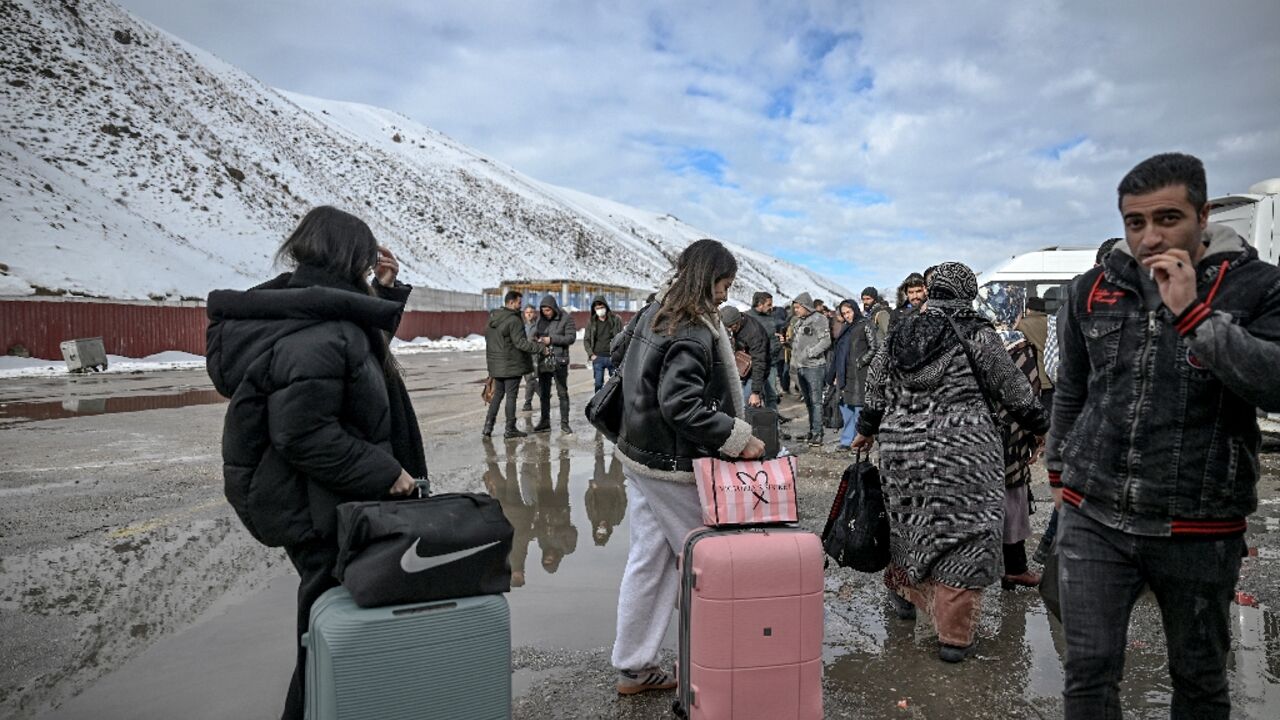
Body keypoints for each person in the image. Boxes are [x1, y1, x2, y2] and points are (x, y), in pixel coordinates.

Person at [1046, 152, 1280, 719]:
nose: (1151, 236)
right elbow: (1072, 389)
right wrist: (1058, 469)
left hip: (1199, 524)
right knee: (1088, 675)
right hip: (1094, 516)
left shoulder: (1255, 287)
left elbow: (1272, 386)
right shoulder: (1090, 290)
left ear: (1202, 215)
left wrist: (1195, 316)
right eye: (1136, 222)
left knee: (1198, 680)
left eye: (1168, 218)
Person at [206, 206, 428, 720]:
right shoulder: (321, 328)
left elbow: (351, 369)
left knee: (330, 630)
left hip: (316, 499)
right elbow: (303, 432)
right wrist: (386, 473)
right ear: (349, 257)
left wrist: (386, 293)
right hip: (323, 506)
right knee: (327, 640)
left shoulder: (306, 310)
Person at [852, 262, 1048, 663]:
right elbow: (1010, 386)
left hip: (902, 451)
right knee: (966, 534)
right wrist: (1038, 424)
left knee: (910, 524)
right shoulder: (977, 332)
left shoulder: (900, 332)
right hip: (965, 453)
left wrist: (868, 427)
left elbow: (874, 387)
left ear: (933, 290)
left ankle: (906, 600)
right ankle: (954, 639)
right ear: (968, 293)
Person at [611, 239, 765, 696]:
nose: (725, 294)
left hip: (640, 455)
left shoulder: (655, 311)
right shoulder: (693, 327)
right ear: (706, 278)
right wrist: (738, 438)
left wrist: (721, 371)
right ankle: (714, 657)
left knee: (649, 561)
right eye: (724, 284)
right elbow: (680, 404)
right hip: (672, 465)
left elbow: (623, 355)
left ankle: (635, 666)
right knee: (706, 562)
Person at [484, 290, 548, 438]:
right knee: (511, 397)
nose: (521, 306)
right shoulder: (513, 320)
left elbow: (490, 340)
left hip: (496, 365)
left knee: (497, 396)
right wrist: (540, 348)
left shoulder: (493, 318)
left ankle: (488, 426)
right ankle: (510, 428)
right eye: (519, 303)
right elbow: (521, 343)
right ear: (511, 302)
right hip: (511, 365)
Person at [826, 300, 871, 450]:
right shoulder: (846, 328)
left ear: (855, 310)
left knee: (859, 408)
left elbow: (876, 347)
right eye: (844, 313)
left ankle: (859, 441)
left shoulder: (865, 325)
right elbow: (838, 353)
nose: (847, 316)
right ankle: (847, 440)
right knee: (846, 407)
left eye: (849, 312)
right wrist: (834, 374)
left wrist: (861, 361)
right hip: (844, 373)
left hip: (859, 374)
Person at [789, 292, 832, 447]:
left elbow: (826, 341)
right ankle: (812, 429)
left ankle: (818, 433)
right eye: (795, 308)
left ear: (806, 306)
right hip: (801, 367)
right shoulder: (799, 322)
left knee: (816, 402)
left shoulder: (819, 319)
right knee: (808, 402)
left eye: (798, 307)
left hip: (814, 367)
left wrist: (810, 353)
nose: (796, 310)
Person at [533, 294, 577, 433]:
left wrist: (551, 339)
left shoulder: (566, 318)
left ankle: (565, 423)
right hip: (543, 361)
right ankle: (545, 421)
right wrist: (536, 340)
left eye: (548, 310)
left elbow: (571, 338)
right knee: (544, 393)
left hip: (559, 361)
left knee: (562, 393)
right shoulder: (541, 319)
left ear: (553, 308)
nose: (546, 313)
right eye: (543, 310)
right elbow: (535, 334)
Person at [720, 304, 769, 408]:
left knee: (748, 402)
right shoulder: (731, 327)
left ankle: (766, 422)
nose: (728, 330)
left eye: (730, 327)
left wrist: (755, 392)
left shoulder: (754, 333)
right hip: (740, 371)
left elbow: (759, 362)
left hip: (754, 371)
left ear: (737, 322)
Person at [749, 291, 783, 409]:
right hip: (752, 366)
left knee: (772, 396)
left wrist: (779, 344)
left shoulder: (771, 319)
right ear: (760, 304)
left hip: (770, 364)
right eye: (769, 305)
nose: (771, 307)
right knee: (752, 397)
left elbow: (774, 339)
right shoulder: (747, 318)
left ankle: (773, 425)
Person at [585, 296, 624, 392]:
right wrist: (591, 354)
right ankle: (598, 406)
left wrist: (619, 354)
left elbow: (622, 337)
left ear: (606, 307)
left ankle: (616, 405)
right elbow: (586, 340)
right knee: (598, 384)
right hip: (598, 357)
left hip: (612, 357)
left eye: (601, 307)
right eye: (597, 308)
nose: (600, 310)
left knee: (616, 384)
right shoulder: (592, 322)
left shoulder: (615, 320)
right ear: (594, 309)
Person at [521, 304, 540, 412]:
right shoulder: (521, 326)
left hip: (533, 356)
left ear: (534, 313)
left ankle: (527, 403)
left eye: (531, 312)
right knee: (530, 380)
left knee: (530, 380)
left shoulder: (538, 326)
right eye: (527, 312)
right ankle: (543, 394)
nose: (529, 314)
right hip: (522, 355)